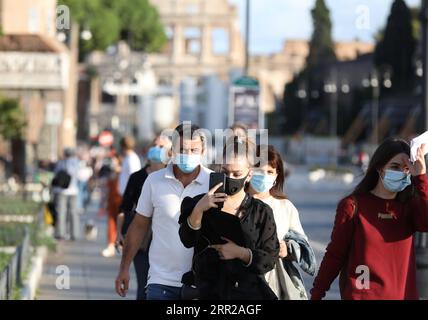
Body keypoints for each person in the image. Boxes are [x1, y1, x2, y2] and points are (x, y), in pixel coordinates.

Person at [311, 139, 428, 300]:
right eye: (395, 167)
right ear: (380, 168)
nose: (401, 173)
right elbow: (335, 255)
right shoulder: (352, 206)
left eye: (407, 169)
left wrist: (421, 177)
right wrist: (316, 294)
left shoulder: (409, 208)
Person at [115, 123, 212, 300]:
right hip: (161, 281)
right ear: (172, 151)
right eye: (182, 149)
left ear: (203, 152)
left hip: (201, 284)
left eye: (194, 150)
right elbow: (138, 226)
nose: (188, 155)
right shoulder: (154, 181)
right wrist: (124, 268)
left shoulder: (213, 184)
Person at [178, 136, 279, 300]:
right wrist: (198, 210)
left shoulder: (261, 212)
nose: (230, 176)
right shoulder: (200, 202)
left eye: (237, 173)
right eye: (225, 172)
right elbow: (187, 240)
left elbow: (269, 259)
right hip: (206, 291)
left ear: (249, 174)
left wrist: (240, 253)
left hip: (246, 294)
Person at [247, 145, 315, 299]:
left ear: (277, 175)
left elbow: (303, 244)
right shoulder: (236, 202)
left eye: (270, 172)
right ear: (248, 171)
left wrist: (288, 249)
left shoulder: (285, 206)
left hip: (276, 283)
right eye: (259, 170)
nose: (264, 176)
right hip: (241, 282)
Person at [115, 135, 172, 300]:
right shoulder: (137, 178)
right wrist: (119, 232)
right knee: (145, 285)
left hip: (165, 240)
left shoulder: (174, 178)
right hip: (142, 240)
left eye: (162, 146)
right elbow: (124, 208)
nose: (157, 149)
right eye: (155, 145)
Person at [52, 148, 80, 240]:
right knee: (73, 212)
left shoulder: (61, 163)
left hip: (62, 190)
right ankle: (74, 234)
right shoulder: (76, 163)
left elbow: (56, 174)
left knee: (61, 212)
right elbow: (78, 175)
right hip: (73, 190)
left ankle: (60, 233)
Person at [101, 152, 122, 257]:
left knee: (123, 225)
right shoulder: (112, 173)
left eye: (114, 159)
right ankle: (110, 245)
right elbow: (107, 187)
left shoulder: (123, 171)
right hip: (112, 200)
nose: (113, 162)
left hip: (121, 201)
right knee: (111, 223)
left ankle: (121, 245)